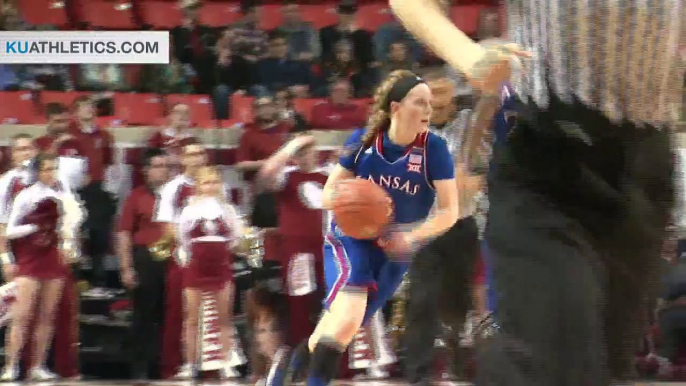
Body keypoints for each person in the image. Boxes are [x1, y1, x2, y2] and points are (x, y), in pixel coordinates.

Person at [390, 0, 684, 385]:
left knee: (606, 368)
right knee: (559, 358)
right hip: (550, 155)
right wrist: (468, 55)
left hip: (646, 164)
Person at [270, 69, 460, 386]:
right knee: (347, 317)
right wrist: (354, 203)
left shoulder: (435, 149)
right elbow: (330, 194)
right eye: (420, 102)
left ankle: (293, 360)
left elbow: (450, 212)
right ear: (396, 107)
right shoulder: (363, 140)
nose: (428, 110)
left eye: (429, 103)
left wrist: (410, 235)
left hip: (397, 248)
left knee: (340, 328)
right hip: (351, 239)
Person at [403, 66, 502, 384]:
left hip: (462, 225)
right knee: (421, 300)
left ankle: (458, 359)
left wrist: (487, 71)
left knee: (457, 304)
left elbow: (490, 102)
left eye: (443, 94)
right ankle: (418, 375)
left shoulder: (468, 125)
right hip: (425, 227)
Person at [0, 153, 84, 381]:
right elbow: (10, 231)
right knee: (23, 314)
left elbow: (70, 226)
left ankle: (37, 366)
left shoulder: (62, 196)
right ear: (36, 172)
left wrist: (66, 240)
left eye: (53, 169)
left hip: (53, 259)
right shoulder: (25, 196)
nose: (50, 173)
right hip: (30, 259)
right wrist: (36, 226)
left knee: (47, 316)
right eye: (45, 169)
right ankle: (11, 365)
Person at [257, 134, 328, 349]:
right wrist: (290, 146)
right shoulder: (287, 176)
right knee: (300, 302)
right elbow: (265, 174)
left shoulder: (329, 175)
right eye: (300, 153)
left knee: (331, 301)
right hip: (298, 250)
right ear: (293, 157)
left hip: (327, 247)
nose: (306, 157)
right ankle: (301, 356)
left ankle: (333, 357)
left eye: (309, 151)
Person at [176, 166, 245, 379]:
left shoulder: (229, 210)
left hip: (221, 265)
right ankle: (190, 364)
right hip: (197, 265)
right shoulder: (188, 210)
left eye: (214, 182)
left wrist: (222, 252)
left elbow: (236, 237)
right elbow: (183, 238)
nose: (210, 186)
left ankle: (225, 362)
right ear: (198, 186)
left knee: (224, 317)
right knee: (191, 318)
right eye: (206, 182)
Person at [116, 148, 170, 380]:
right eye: (157, 166)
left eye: (166, 166)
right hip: (146, 259)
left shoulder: (179, 194)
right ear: (146, 171)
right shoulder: (136, 196)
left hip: (174, 260)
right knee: (144, 315)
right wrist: (126, 267)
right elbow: (124, 233)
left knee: (170, 314)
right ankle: (140, 368)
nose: (163, 171)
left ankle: (167, 366)